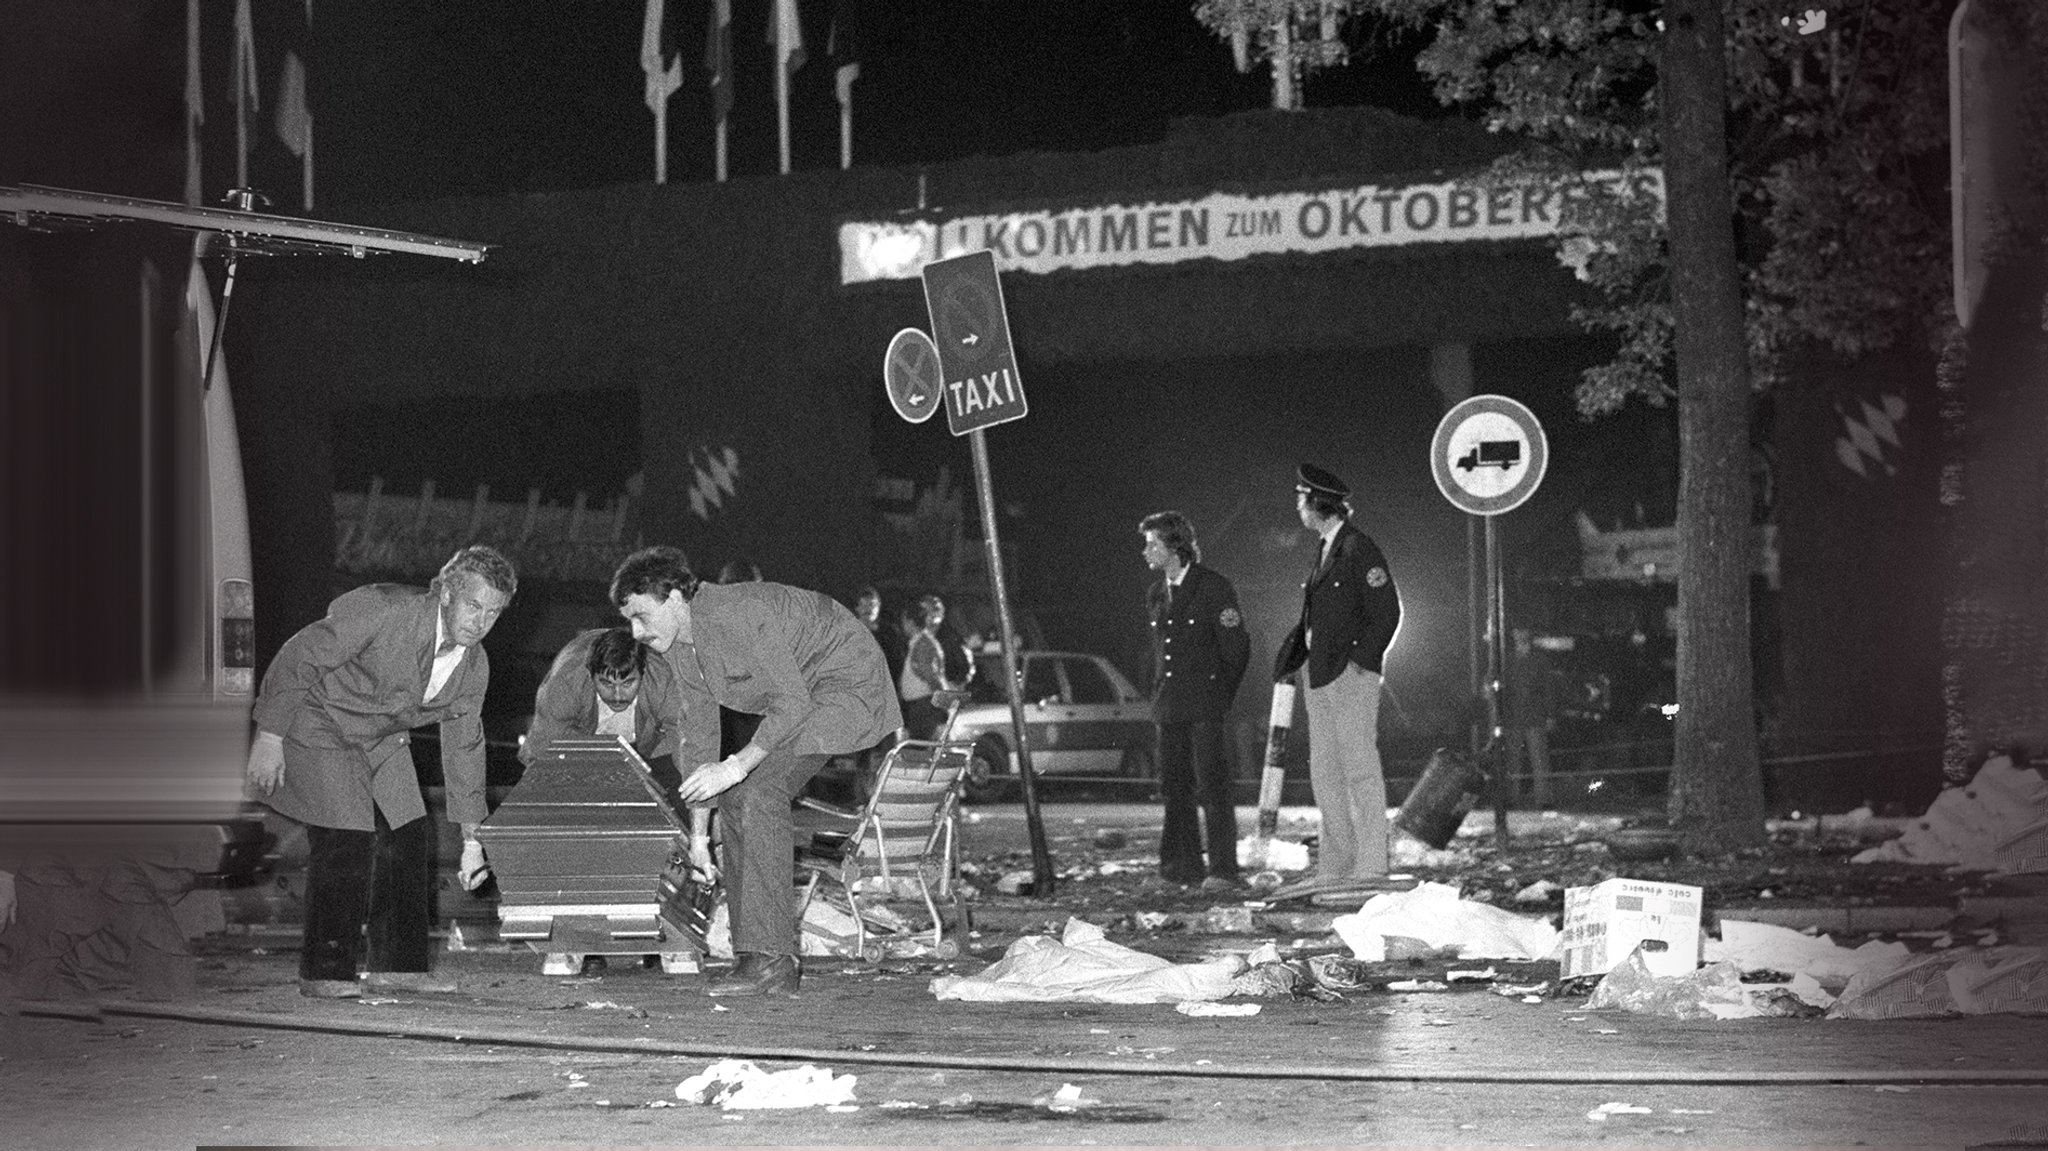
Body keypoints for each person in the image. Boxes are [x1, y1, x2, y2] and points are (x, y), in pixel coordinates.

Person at [611, 546, 900, 996]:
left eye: (641, 616)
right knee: (738, 794)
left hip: (847, 683)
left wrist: (736, 765)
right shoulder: (682, 645)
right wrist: (701, 837)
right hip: (808, 691)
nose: (635, 631)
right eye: (629, 620)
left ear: (673, 599)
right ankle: (754, 957)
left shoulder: (732, 616)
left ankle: (773, 961)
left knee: (759, 790)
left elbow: (791, 705)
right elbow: (699, 734)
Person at [245, 545, 517, 998]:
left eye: (493, 612)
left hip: (381, 738)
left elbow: (465, 749)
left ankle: (399, 967)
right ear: (446, 594)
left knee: (408, 831)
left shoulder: (474, 666)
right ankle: (325, 973)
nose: (480, 622)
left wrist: (473, 840)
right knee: (347, 833)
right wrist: (269, 736)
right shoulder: (383, 609)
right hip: (320, 721)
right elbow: (301, 655)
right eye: (473, 605)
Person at [1274, 464, 1402, 891]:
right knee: (1325, 774)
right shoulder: (1327, 548)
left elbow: (1387, 613)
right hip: (1320, 674)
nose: (1297, 507)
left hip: (1349, 676)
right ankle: (1337, 864)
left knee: (1360, 771)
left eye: (1301, 499)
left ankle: (1370, 865)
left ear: (1318, 503)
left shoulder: (1358, 548)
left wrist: (1361, 664)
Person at [1141, 511, 1250, 890]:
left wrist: (1219, 698)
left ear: (1175, 547)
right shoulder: (1158, 593)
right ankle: (1179, 867)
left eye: (1153, 544)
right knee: (1174, 788)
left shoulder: (1213, 587)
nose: (1146, 552)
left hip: (1204, 705)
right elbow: (1158, 654)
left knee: (1213, 789)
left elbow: (1236, 650)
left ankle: (1223, 870)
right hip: (1170, 706)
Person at [898, 595, 954, 740]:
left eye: (904, 621)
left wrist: (943, 708)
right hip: (920, 709)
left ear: (910, 622)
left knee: (920, 753)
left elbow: (932, 676)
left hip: (924, 709)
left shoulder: (923, 644)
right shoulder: (918, 642)